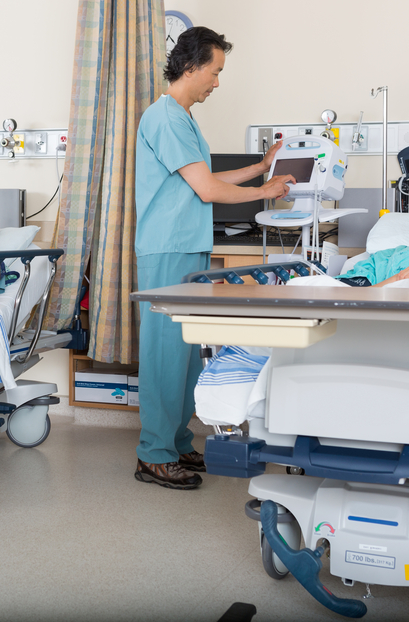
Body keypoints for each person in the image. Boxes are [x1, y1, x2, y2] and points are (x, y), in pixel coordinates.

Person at [133, 27, 296, 490]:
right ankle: (154, 454)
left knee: (185, 351)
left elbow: (201, 176)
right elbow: (206, 189)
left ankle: (178, 441)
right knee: (164, 352)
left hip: (188, 243)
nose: (217, 83)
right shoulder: (164, 117)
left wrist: (259, 169)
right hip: (167, 245)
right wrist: (264, 192)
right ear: (191, 65)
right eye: (216, 71)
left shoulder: (182, 118)